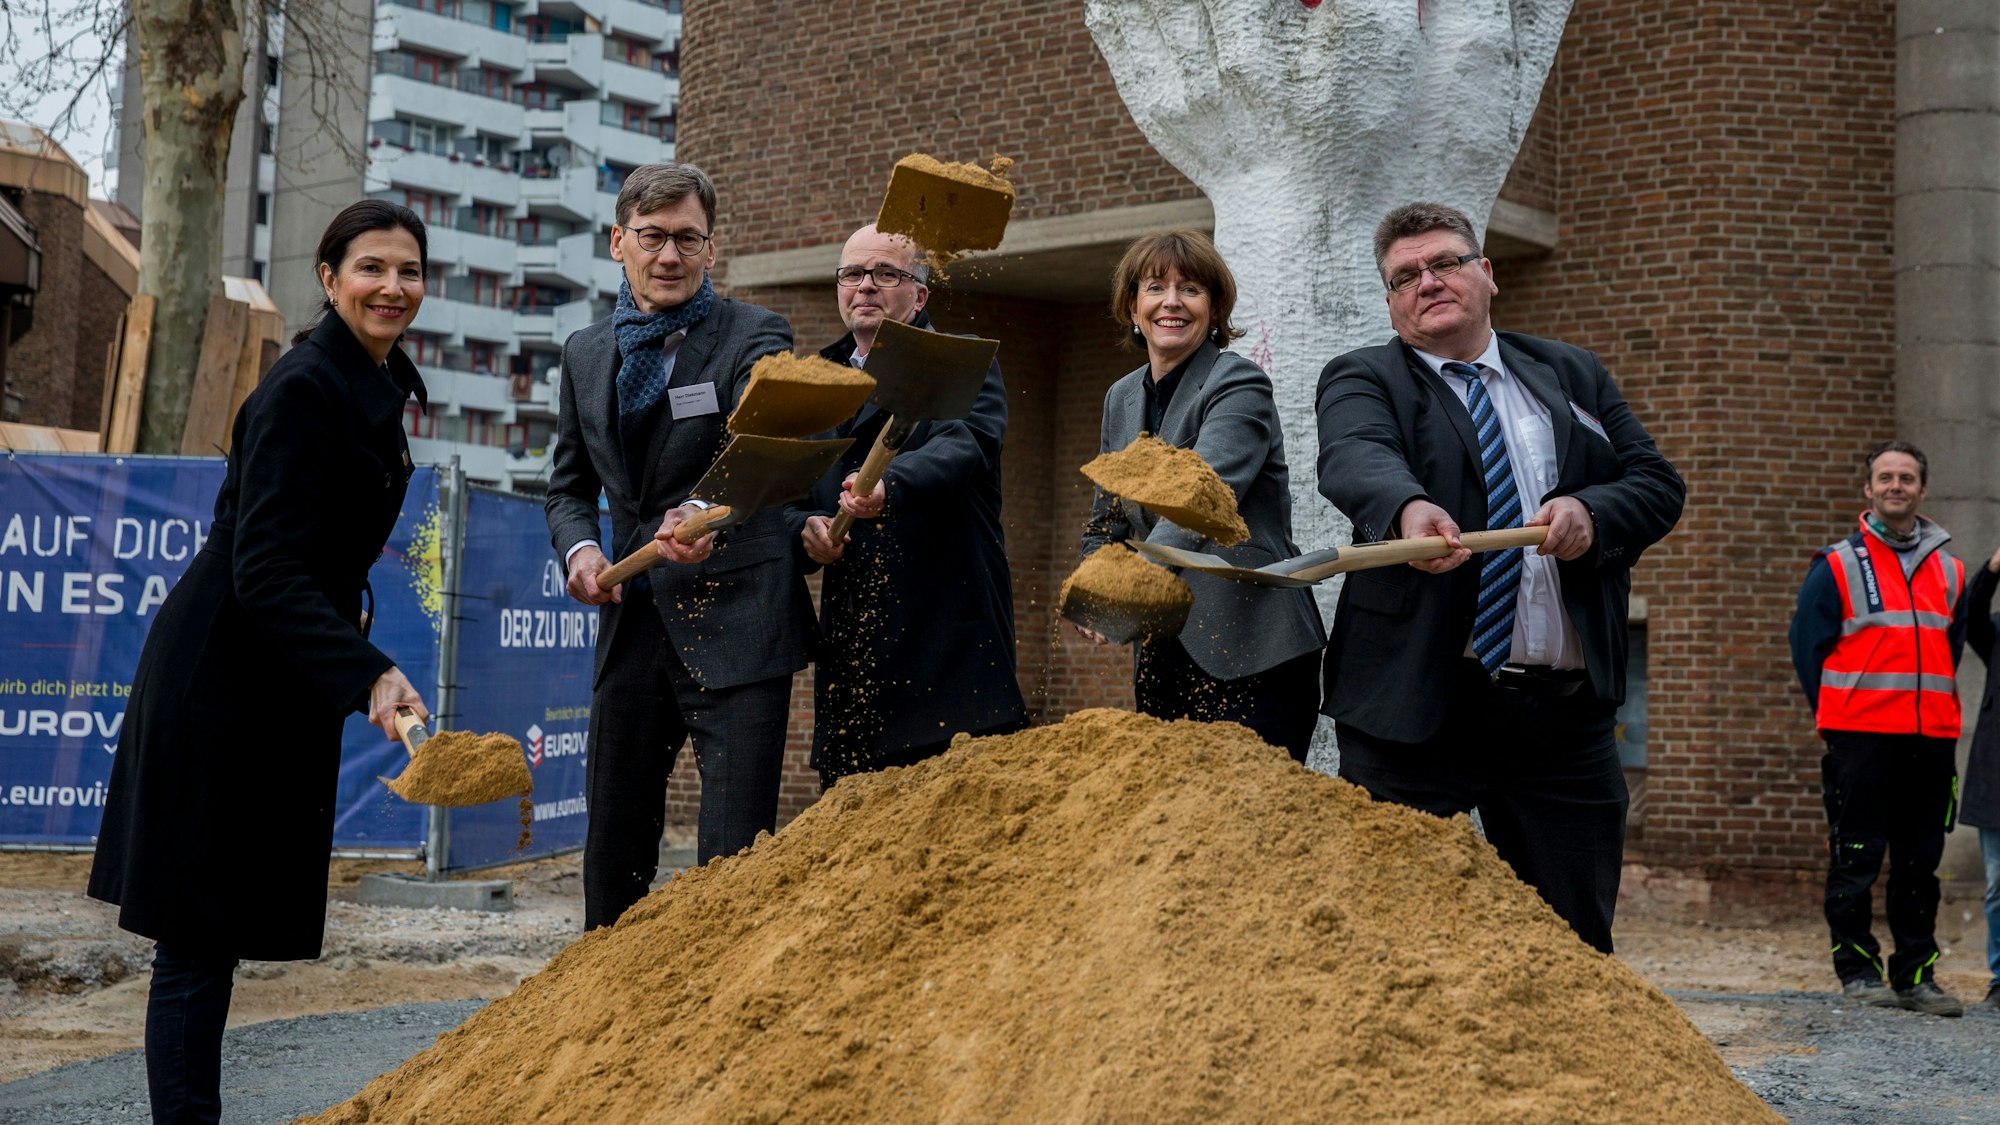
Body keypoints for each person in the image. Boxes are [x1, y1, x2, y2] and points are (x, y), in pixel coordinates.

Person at [86, 199, 434, 1123]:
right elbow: (266, 567)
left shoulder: (376, 380)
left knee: (217, 929)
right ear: (329, 277)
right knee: (195, 938)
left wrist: (352, 664)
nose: (392, 286)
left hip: (274, 676)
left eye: (408, 270)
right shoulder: (303, 388)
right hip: (221, 678)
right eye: (371, 267)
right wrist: (366, 671)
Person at [1315, 202, 1685, 954]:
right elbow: (1356, 456)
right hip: (1415, 712)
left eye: (1445, 263)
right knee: (1399, 944)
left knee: (1572, 946)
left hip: (1562, 721)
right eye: (1405, 276)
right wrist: (1407, 509)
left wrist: (1591, 510)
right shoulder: (1364, 376)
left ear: (1486, 274)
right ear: (1391, 302)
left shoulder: (1570, 371)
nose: (1428, 282)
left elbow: (1655, 482)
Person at [543, 162, 805, 930]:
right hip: (631, 627)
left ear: (711, 250)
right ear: (617, 241)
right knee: (612, 856)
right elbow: (567, 488)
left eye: (687, 239)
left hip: (739, 623)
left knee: (732, 861)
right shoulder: (584, 352)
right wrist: (580, 552)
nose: (669, 256)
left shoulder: (757, 333)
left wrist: (701, 511)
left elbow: (762, 441)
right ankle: (603, 994)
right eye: (652, 236)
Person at [789, 225, 1027, 786]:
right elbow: (789, 492)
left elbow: (964, 445)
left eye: (886, 274)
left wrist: (889, 485)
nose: (866, 286)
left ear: (919, 296)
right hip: (856, 669)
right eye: (853, 274)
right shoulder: (815, 381)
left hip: (949, 660)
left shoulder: (956, 361)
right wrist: (804, 530)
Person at [1077, 230, 1326, 761]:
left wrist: (1133, 584)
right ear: (1133, 307)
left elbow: (1202, 492)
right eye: (1155, 288)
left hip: (1255, 650)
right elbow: (1107, 520)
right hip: (1163, 657)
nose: (1171, 302)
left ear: (1214, 309)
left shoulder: (1239, 383)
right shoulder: (1121, 398)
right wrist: (1093, 586)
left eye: (1189, 289)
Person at [1790, 441, 1969, 1017]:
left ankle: (1916, 975)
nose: (1896, 486)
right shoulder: (1837, 564)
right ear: (1868, 490)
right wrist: (1836, 718)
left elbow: (1950, 650)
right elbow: (1807, 646)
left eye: (1906, 478)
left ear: (1922, 489)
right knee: (1857, 856)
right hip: (1860, 738)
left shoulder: (1950, 570)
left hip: (1931, 739)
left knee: (1921, 862)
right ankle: (1858, 971)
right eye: (1886, 477)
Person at [1960, 542, 2000, 1013]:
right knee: (1997, 885)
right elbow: (1969, 613)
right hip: (1997, 782)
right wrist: (1991, 569)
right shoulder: (1996, 634)